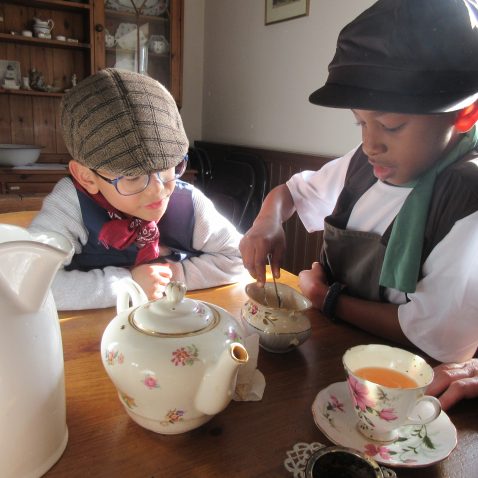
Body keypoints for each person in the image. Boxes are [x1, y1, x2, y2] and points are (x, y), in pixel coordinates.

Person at [240, 0, 478, 363]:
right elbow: (291, 192)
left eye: (392, 126)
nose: (370, 144)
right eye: (360, 123)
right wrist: (266, 222)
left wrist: (325, 299)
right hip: (330, 355)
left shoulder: (466, 199)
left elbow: (441, 338)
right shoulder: (364, 164)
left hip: (402, 384)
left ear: (464, 114)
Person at [29, 68, 245, 310]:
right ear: (86, 176)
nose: (158, 189)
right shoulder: (70, 205)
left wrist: (173, 275)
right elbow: (29, 283)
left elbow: (239, 258)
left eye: (168, 168)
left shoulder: (189, 204)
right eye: (132, 177)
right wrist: (128, 284)